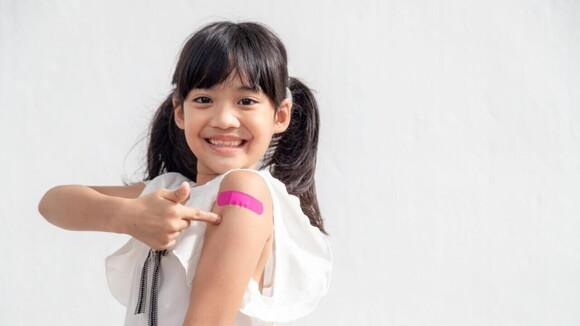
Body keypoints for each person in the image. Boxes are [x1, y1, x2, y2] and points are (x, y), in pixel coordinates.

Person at [38, 21, 332, 326]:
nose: (224, 119)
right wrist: (128, 216)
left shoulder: (244, 190)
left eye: (246, 101)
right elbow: (52, 203)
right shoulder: (168, 191)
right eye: (204, 100)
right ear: (180, 112)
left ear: (280, 115)